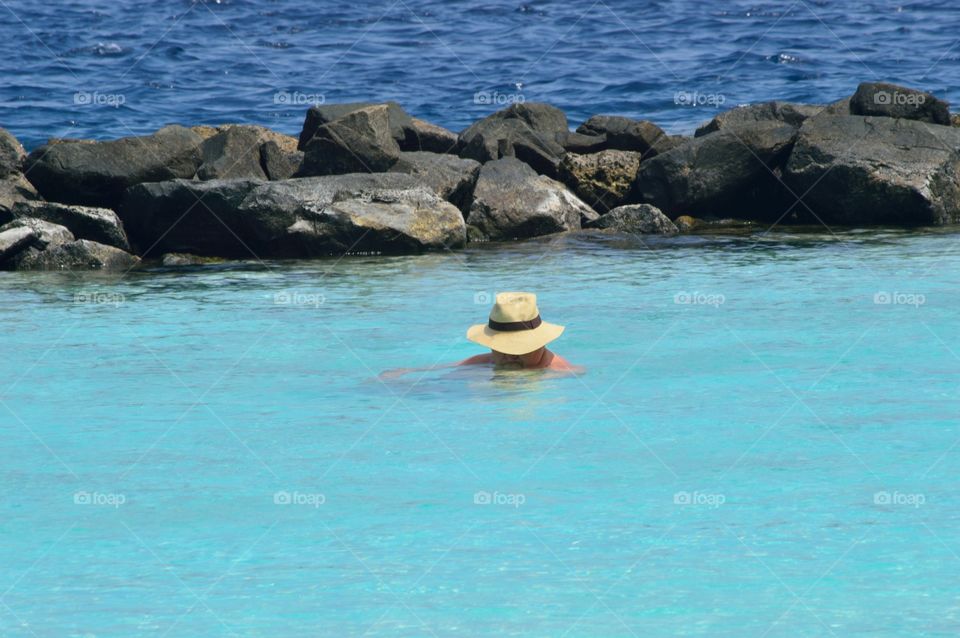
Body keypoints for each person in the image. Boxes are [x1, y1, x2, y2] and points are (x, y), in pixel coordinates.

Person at [379, 291, 582, 379]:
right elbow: (446, 370)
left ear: (541, 344)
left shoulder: (562, 372)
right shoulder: (489, 361)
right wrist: (407, 372)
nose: (509, 355)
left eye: (519, 348)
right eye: (502, 348)